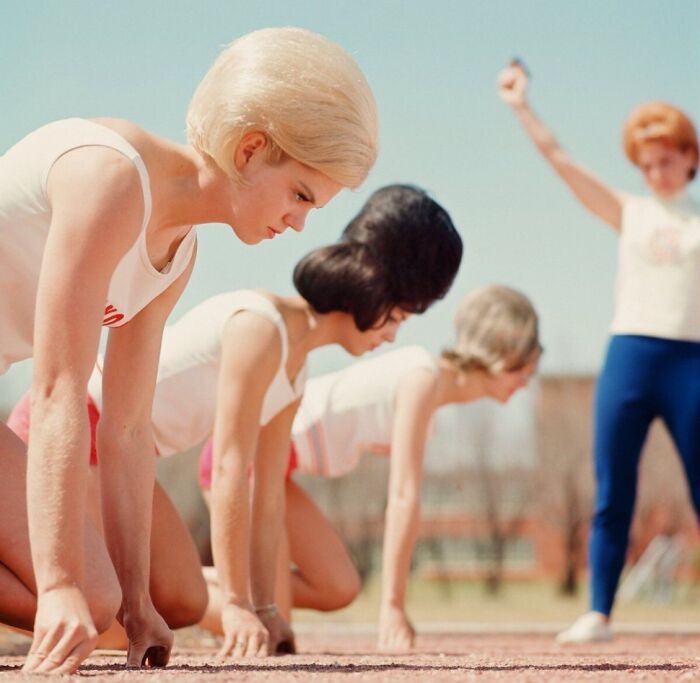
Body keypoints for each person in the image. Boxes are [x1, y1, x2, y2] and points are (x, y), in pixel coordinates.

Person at [0, 26, 377, 673]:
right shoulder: (111, 176)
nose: (300, 223)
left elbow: (124, 428)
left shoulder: (178, 254)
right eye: (301, 194)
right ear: (252, 148)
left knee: (151, 600)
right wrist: (58, 584)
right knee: (87, 597)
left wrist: (141, 600)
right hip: (48, 397)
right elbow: (60, 386)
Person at [8, 184, 463, 658]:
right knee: (108, 620)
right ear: (371, 291)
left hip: (122, 456)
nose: (393, 336)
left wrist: (264, 607)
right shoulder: (261, 326)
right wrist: (238, 605)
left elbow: (265, 494)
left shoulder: (296, 368)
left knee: (184, 601)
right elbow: (228, 468)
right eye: (398, 318)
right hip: (72, 431)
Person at [198, 284, 541, 652]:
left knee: (338, 587)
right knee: (272, 636)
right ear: (499, 355)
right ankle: (176, 587)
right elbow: (404, 496)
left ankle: (208, 582)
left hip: (275, 474)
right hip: (245, 460)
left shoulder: (429, 406)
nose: (525, 382)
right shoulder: (421, 376)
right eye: (523, 368)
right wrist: (392, 607)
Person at [498, 60, 700, 643]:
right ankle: (599, 613)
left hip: (691, 363)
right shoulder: (629, 211)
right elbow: (561, 161)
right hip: (631, 357)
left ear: (690, 157)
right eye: (646, 164)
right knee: (614, 487)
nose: (657, 172)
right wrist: (520, 105)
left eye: (667, 159)